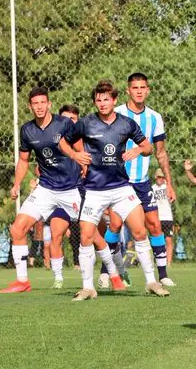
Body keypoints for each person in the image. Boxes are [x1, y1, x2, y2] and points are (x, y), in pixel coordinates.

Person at [59, 80, 169, 300]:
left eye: (106, 99)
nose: (102, 103)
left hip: (121, 188)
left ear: (114, 100)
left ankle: (151, 282)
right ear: (95, 102)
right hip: (94, 190)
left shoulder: (126, 124)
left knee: (139, 231)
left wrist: (138, 150)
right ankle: (88, 287)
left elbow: (148, 147)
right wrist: (75, 155)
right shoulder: (85, 123)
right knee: (87, 237)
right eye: (98, 100)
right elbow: (62, 142)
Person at [0, 88, 85, 293]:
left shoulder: (64, 124)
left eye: (42, 102)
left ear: (49, 104)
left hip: (71, 189)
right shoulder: (27, 130)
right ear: (30, 106)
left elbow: (80, 148)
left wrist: (84, 165)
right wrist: (17, 184)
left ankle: (113, 272)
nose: (39, 107)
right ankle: (22, 281)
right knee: (17, 229)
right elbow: (23, 160)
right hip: (45, 188)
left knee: (91, 234)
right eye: (35, 103)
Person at [109, 72, 177, 287]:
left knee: (155, 225)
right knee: (115, 226)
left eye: (142, 88)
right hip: (118, 181)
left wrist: (169, 184)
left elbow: (161, 153)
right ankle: (111, 272)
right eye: (134, 88)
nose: (139, 91)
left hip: (142, 181)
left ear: (147, 90)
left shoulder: (154, 117)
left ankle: (163, 274)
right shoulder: (116, 113)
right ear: (128, 90)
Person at [59, 104, 81, 270]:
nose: (69, 123)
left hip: (86, 186)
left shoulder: (85, 138)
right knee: (67, 229)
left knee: (91, 225)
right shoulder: (55, 142)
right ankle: (75, 262)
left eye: (72, 119)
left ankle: (108, 261)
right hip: (63, 188)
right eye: (65, 119)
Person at [152, 169, 175, 266]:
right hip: (157, 217)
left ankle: (168, 262)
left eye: (163, 177)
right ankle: (160, 261)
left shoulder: (167, 187)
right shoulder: (152, 188)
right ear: (155, 177)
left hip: (167, 217)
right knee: (159, 240)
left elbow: (173, 197)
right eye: (159, 177)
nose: (161, 179)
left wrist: (168, 185)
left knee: (168, 240)